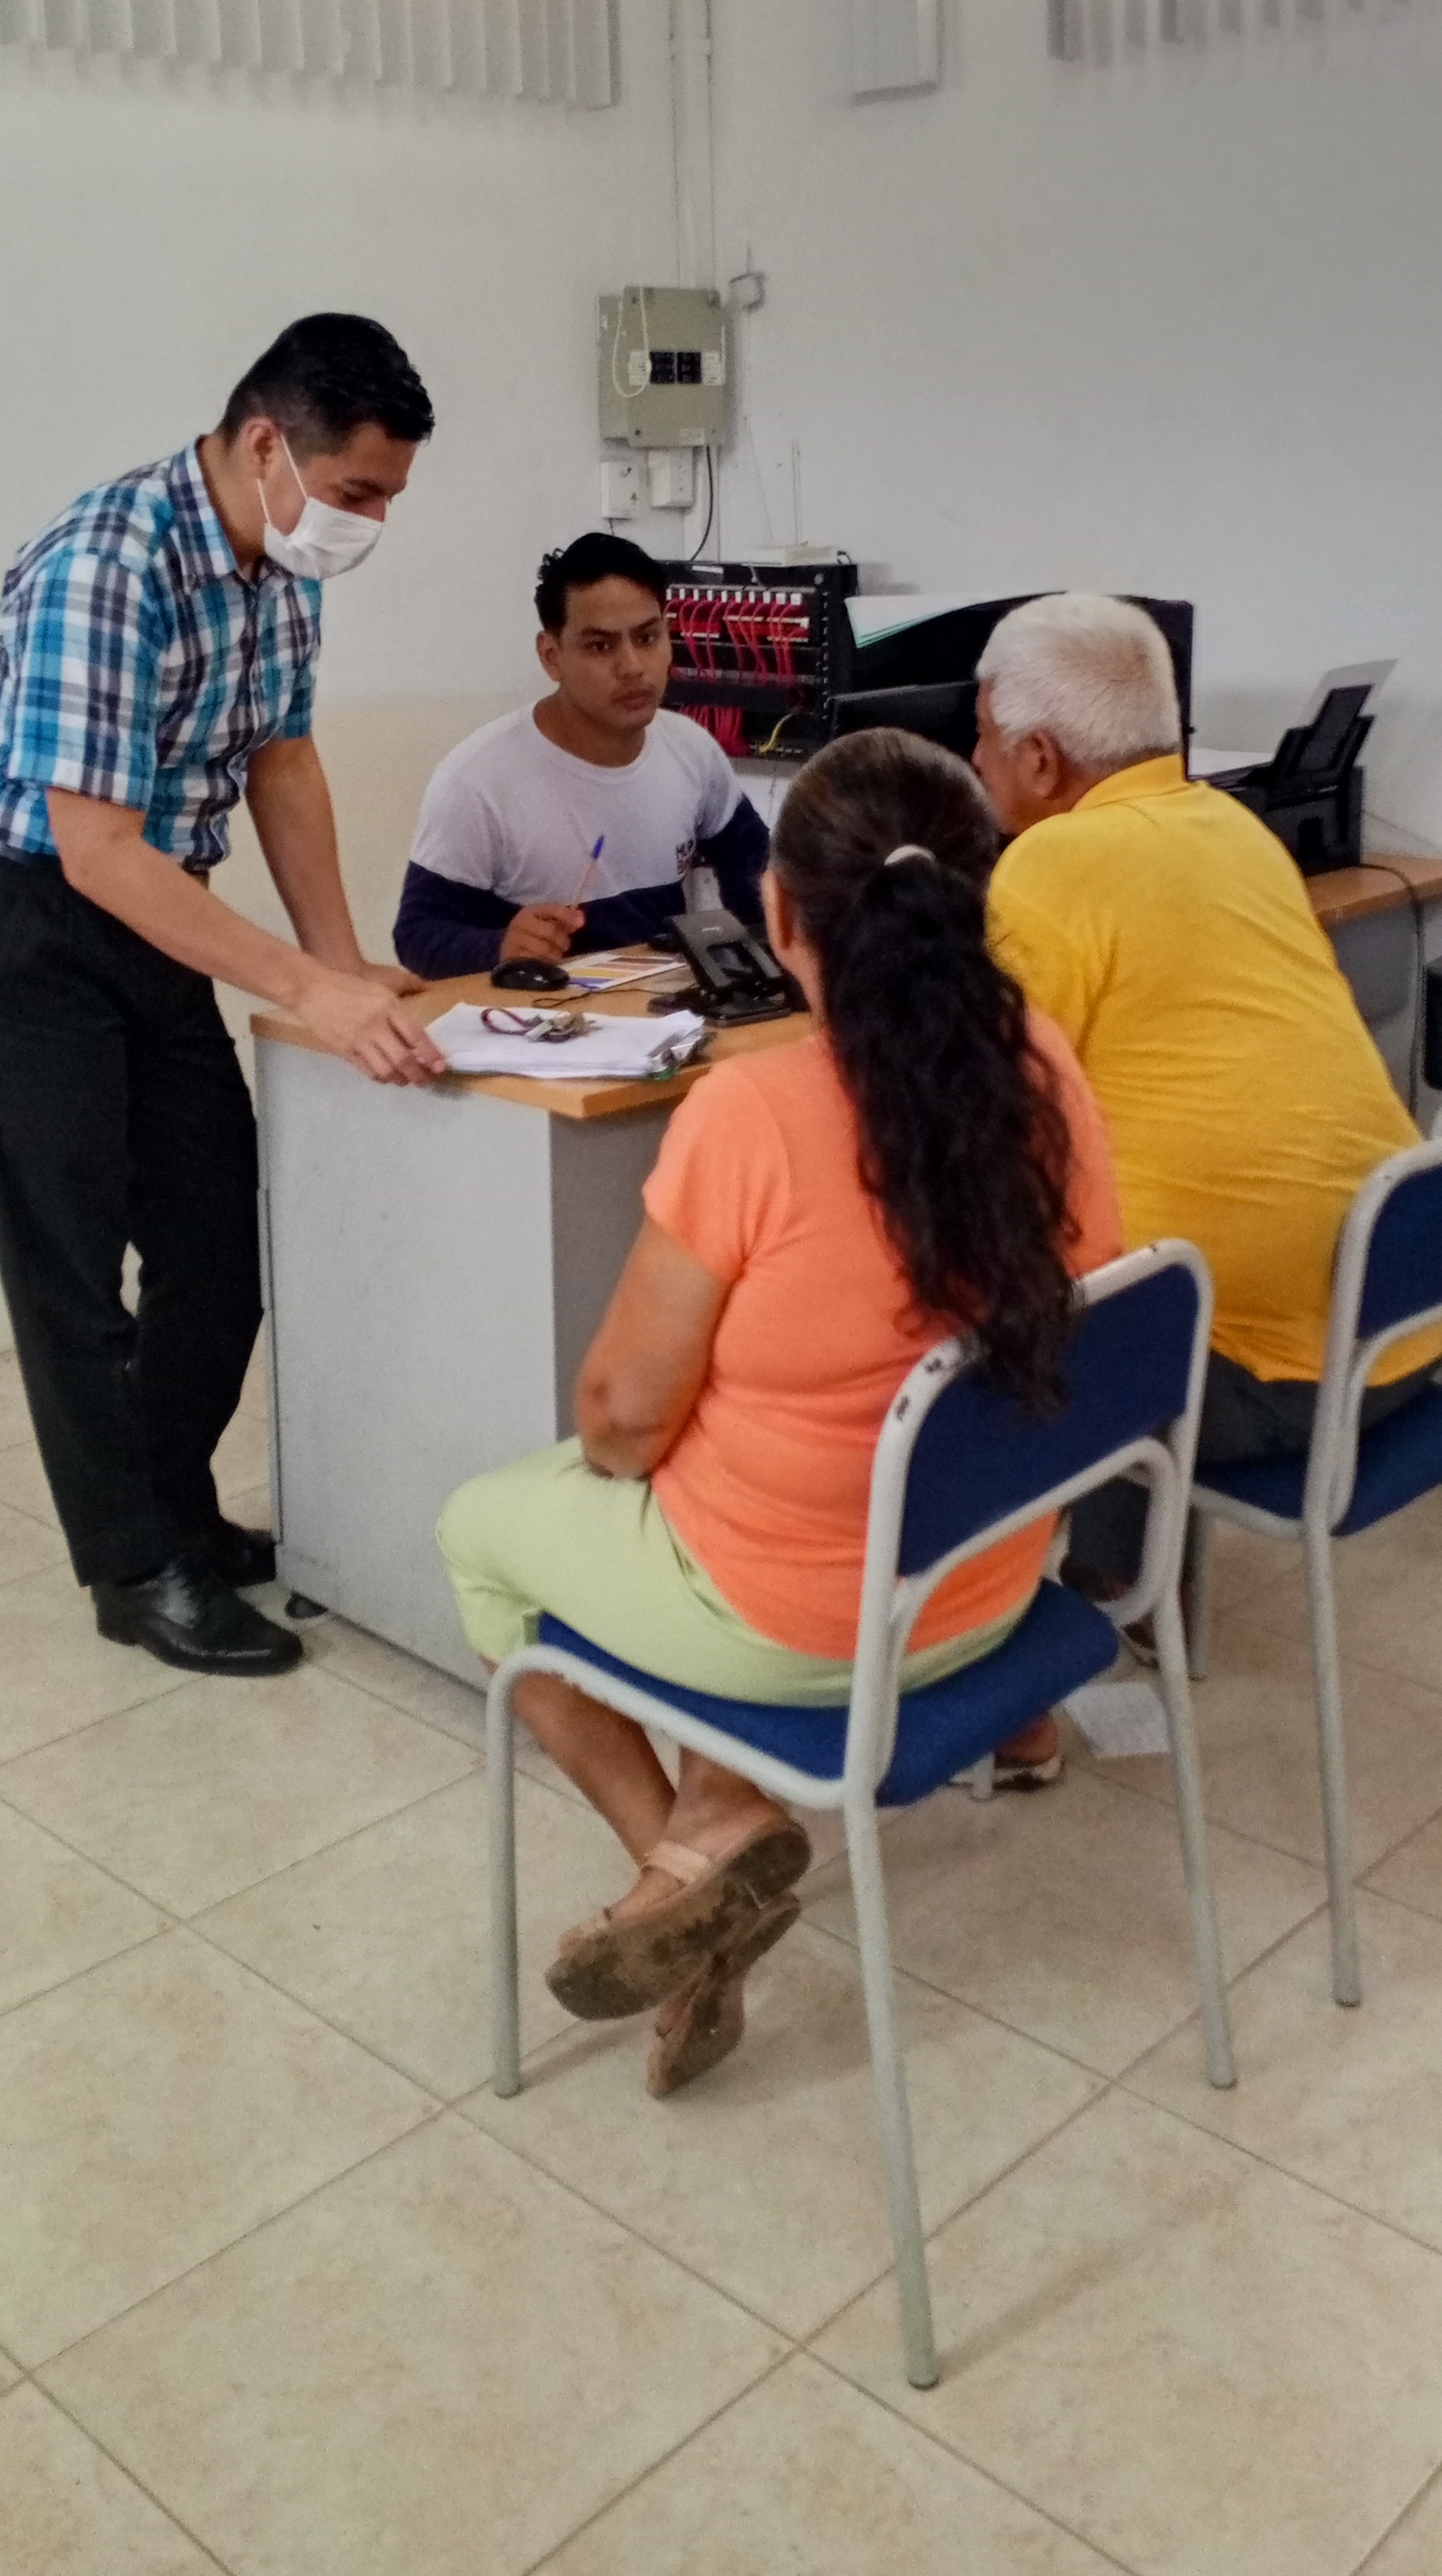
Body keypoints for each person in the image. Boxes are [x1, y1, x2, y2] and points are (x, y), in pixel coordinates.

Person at [438, 727, 1123, 2099]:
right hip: (993, 1582)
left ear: (780, 913)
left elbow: (620, 1423)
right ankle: (711, 1837)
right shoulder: (1044, 1059)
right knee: (716, 1477)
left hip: (807, 1632)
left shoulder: (750, 1110)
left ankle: (688, 1864)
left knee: (483, 1530)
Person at [0, 312, 447, 1681]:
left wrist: (341, 959)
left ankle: (174, 1510)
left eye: (390, 496)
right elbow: (92, 847)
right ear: (267, 445)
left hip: (155, 906)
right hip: (31, 918)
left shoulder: (277, 562)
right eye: (358, 490)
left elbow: (283, 761)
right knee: (74, 1266)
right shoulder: (109, 565)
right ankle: (135, 1568)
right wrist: (299, 983)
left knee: (217, 1241)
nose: (370, 522)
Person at [973, 591, 1442, 1648]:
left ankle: (1042, 1635)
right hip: (1400, 1330)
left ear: (1041, 758)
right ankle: (1132, 1592)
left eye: (984, 733)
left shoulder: (1052, 862)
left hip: (1282, 1382)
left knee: (995, 1329)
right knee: (1132, 1231)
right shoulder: (1233, 828)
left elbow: (987, 1104)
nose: (975, 759)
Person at [394, 531, 769, 977]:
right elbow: (417, 935)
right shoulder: (477, 781)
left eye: (648, 638)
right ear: (551, 656)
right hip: (541, 1012)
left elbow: (762, 873)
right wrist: (498, 946)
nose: (632, 666)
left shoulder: (691, 749)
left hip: (663, 1006)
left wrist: (762, 960)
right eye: (600, 646)